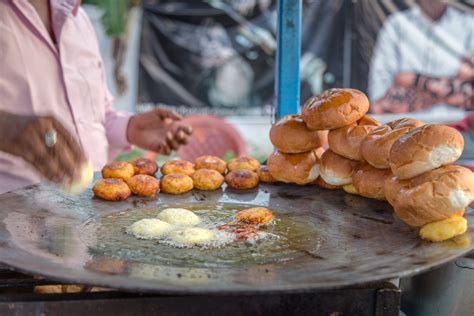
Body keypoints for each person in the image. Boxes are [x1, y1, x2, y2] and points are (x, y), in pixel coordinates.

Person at [0, 0, 192, 194]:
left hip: (90, 210)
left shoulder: (78, 18)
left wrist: (131, 128)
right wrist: (7, 128)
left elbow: (96, 114)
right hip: (11, 215)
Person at [368, 0, 473, 114]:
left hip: (459, 126)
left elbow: (470, 93)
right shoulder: (396, 25)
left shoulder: (468, 25)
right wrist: (452, 90)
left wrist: (412, 81)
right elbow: (379, 102)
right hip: (405, 126)